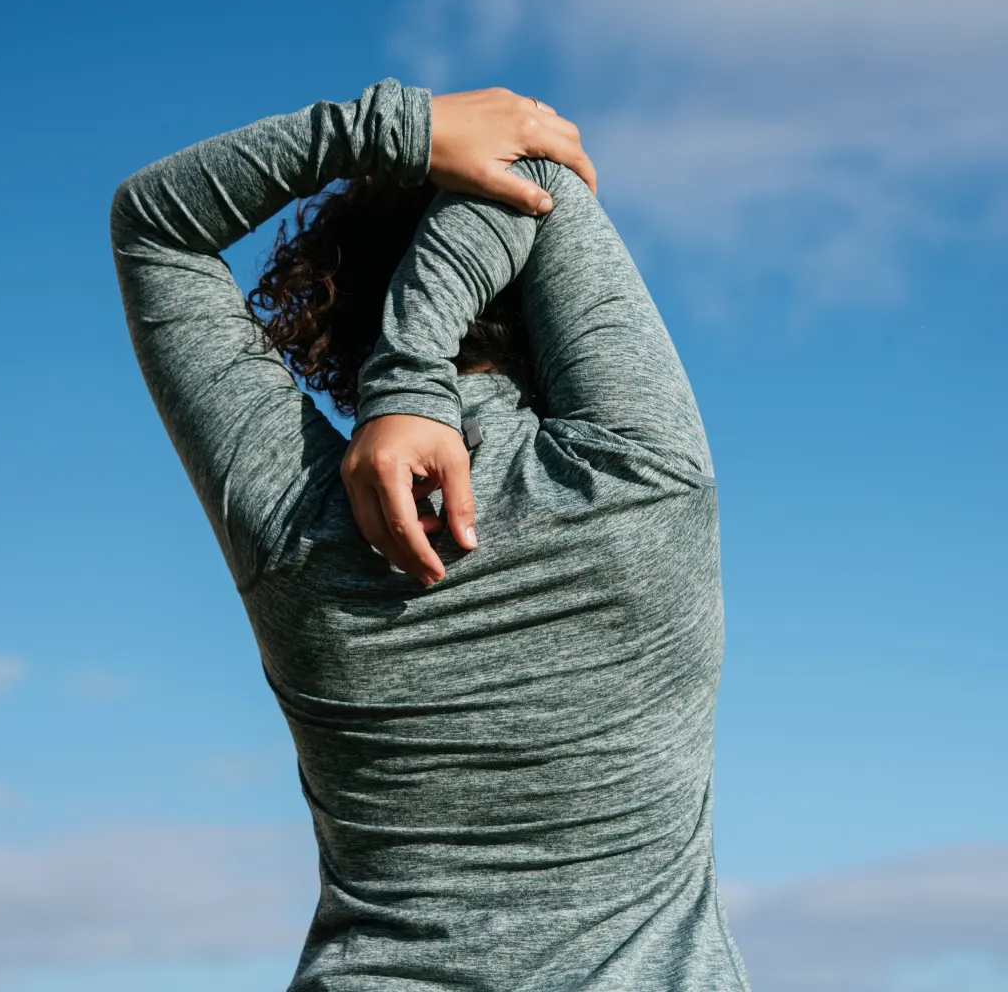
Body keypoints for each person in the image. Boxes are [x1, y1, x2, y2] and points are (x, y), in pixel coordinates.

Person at [109, 78, 749, 991]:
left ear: (329, 325)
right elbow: (540, 169)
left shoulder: (295, 523)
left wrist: (395, 132)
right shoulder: (643, 475)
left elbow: (154, 226)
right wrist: (419, 359)